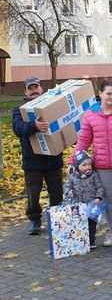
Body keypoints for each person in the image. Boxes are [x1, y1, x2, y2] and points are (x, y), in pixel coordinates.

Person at [68, 79, 112, 247]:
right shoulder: (90, 115)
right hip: (101, 165)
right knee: (109, 199)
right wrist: (72, 161)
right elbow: (83, 140)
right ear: (100, 94)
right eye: (108, 93)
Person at [12, 76, 64, 235]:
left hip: (53, 159)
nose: (33, 90)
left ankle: (56, 219)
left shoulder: (50, 105)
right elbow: (18, 129)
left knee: (56, 192)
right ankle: (35, 221)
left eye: (36, 87)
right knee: (33, 195)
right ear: (25, 91)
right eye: (30, 88)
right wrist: (34, 125)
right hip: (32, 161)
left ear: (42, 89)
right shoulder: (19, 109)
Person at [64, 150, 104, 249]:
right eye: (84, 165)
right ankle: (80, 241)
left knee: (91, 223)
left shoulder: (94, 175)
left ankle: (91, 241)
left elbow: (100, 187)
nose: (87, 167)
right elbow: (66, 187)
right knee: (78, 222)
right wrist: (69, 192)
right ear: (77, 166)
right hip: (77, 205)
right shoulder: (73, 176)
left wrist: (98, 197)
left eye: (89, 164)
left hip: (91, 204)